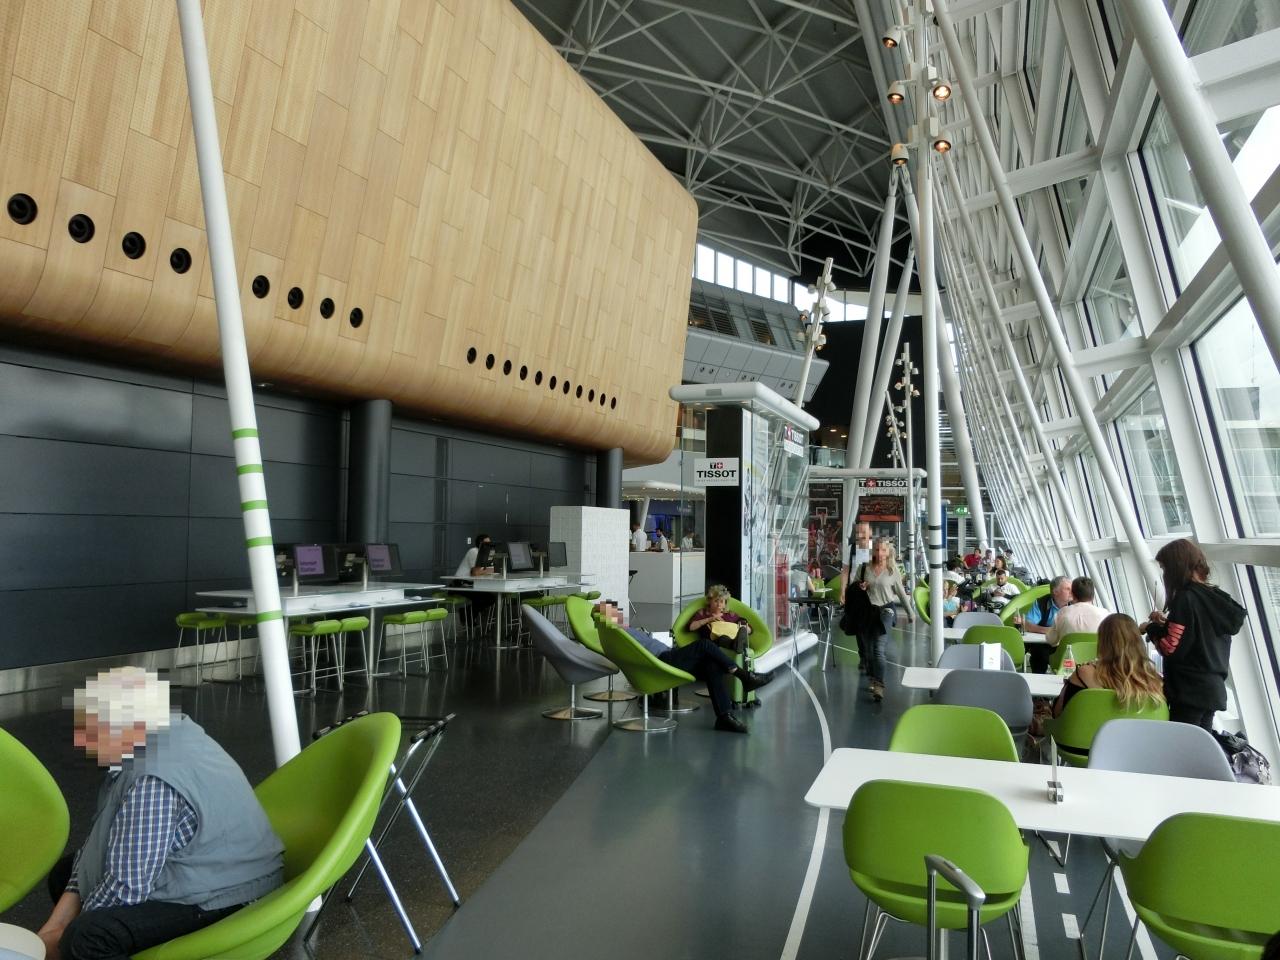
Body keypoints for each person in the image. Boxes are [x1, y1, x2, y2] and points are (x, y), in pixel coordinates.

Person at [37, 667, 284, 960]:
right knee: (65, 874)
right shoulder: (166, 732)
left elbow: (126, 889)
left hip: (232, 893)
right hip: (210, 867)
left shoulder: (152, 778)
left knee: (87, 938)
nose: (81, 741)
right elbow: (99, 844)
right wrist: (51, 929)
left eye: (91, 729)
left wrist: (62, 940)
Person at [594, 602, 771, 733]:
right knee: (705, 645)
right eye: (613, 612)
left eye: (617, 611)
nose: (619, 614)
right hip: (662, 660)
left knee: (711, 663)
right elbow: (634, 652)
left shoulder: (628, 629)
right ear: (607, 618)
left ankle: (724, 717)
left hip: (669, 654)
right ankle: (744, 676)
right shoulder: (619, 633)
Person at [1143, 538, 1246, 730]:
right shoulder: (1215, 597)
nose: (1164, 575)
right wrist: (1168, 624)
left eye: (1165, 568)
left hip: (1189, 690)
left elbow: (1170, 647)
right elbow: (1196, 633)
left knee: (1183, 744)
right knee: (1200, 743)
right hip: (1212, 688)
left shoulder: (1185, 599)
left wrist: (1151, 628)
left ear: (1175, 567)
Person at [1050, 615, 1165, 741]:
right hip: (1138, 749)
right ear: (1138, 642)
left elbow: (1057, 713)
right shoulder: (1156, 683)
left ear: (1102, 642)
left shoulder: (1084, 673)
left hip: (1084, 745)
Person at [844, 538, 915, 703]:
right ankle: (872, 677)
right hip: (867, 611)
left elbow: (901, 593)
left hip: (886, 610)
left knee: (878, 648)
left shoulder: (892, 571)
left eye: (883, 550)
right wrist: (861, 587)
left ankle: (879, 685)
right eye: (876, 549)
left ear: (888, 552)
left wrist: (910, 613)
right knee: (868, 651)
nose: (880, 553)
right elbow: (853, 588)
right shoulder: (864, 568)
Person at [1019, 575, 1072, 672]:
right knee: (1038, 652)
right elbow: (1027, 625)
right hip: (1045, 643)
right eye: (1068, 589)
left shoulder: (1076, 605)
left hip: (1068, 644)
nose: (1072, 591)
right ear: (1055, 591)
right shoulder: (1041, 602)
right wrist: (1051, 630)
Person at [1045, 577, 1110, 652]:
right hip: (1096, 658)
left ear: (1072, 594)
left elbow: (1051, 640)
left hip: (1068, 658)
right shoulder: (1106, 614)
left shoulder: (1062, 613)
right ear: (1093, 596)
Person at [688, 584, 751, 654]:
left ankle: (739, 644)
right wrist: (709, 619)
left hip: (732, 638)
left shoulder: (730, 615)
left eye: (721, 602)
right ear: (709, 601)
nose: (718, 604)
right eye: (716, 601)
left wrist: (740, 627)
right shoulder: (703, 613)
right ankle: (737, 645)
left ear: (725, 604)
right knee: (722, 638)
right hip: (711, 644)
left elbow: (749, 630)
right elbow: (691, 627)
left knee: (742, 622)